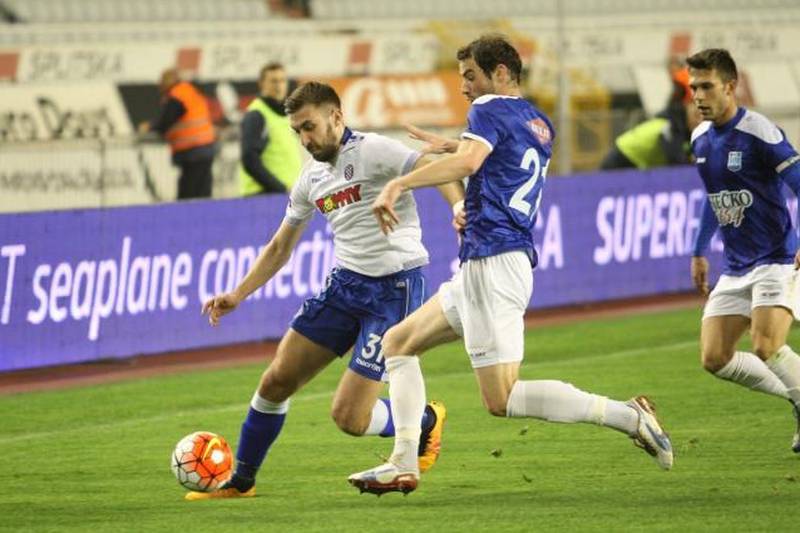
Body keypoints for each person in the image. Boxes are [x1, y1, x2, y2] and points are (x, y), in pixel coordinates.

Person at [348, 34, 673, 496]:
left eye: (471, 77)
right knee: (399, 343)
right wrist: (454, 147)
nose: (464, 88)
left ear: (501, 73)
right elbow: (490, 158)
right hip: (489, 262)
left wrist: (400, 184)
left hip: (492, 264)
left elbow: (472, 161)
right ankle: (403, 462)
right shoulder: (538, 121)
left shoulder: (488, 110)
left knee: (502, 399)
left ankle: (627, 415)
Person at [184, 81, 463, 500]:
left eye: (310, 126)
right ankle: (241, 481)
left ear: (337, 116)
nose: (305, 139)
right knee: (276, 380)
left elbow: (431, 167)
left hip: (395, 288)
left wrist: (458, 207)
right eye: (298, 130)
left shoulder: (374, 150)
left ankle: (422, 421)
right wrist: (238, 294)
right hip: (345, 286)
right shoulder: (311, 178)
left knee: (349, 417)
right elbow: (281, 245)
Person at [687, 48, 800, 452]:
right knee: (714, 358)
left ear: (730, 86)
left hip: (776, 257)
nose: (698, 96)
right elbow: (714, 196)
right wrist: (700, 250)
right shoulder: (700, 138)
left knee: (766, 346)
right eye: (693, 87)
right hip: (736, 266)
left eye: (706, 86)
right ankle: (796, 392)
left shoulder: (759, 132)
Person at [600, 68, 700, 170]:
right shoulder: (670, 126)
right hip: (622, 160)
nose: (699, 120)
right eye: (696, 114)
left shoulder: (675, 121)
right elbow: (676, 159)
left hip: (632, 160)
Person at [139, 68, 216, 199]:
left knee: (187, 196)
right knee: (202, 194)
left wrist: (149, 127)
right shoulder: (188, 91)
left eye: (162, 80)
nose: (160, 84)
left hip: (193, 152)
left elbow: (165, 121)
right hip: (205, 149)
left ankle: (188, 218)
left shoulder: (178, 94)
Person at [238, 62, 303, 195]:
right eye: (273, 81)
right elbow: (249, 159)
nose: (278, 86)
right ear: (262, 84)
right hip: (264, 195)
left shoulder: (284, 114)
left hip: (283, 194)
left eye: (282, 80)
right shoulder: (257, 114)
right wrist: (280, 188)